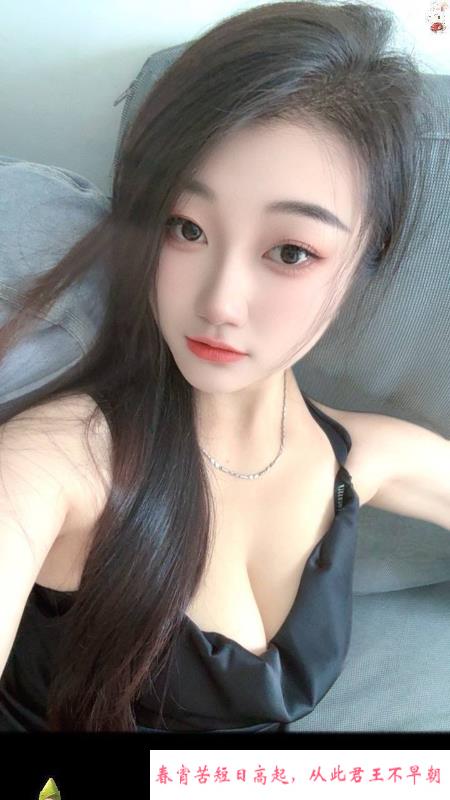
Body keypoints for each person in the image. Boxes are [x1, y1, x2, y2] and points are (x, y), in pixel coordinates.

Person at [0, 1, 432, 732]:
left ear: (368, 256)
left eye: (290, 251)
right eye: (186, 228)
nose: (219, 302)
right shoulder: (60, 462)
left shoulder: (366, 456)